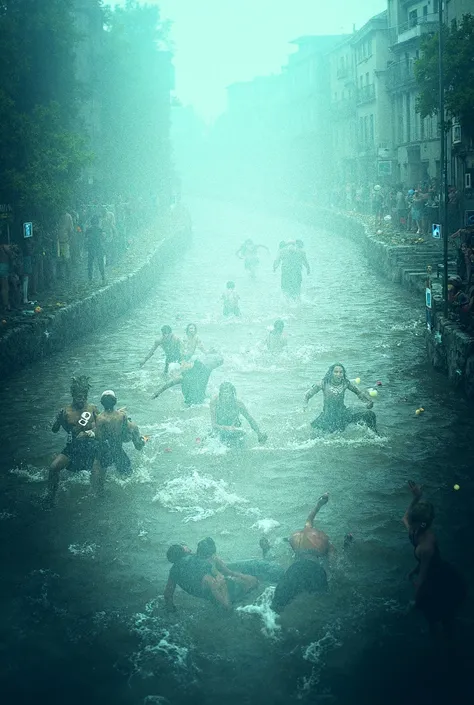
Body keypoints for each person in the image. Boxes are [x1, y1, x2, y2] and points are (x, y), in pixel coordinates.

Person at [403, 481, 466, 635]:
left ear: (420, 524)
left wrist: (414, 601)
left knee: (441, 618)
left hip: (440, 580)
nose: (408, 522)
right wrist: (417, 497)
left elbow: (422, 578)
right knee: (437, 616)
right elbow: (404, 518)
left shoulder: (426, 546)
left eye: (412, 521)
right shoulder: (414, 531)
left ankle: (445, 644)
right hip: (433, 570)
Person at [271, 494, 331, 613]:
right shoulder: (326, 541)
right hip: (315, 568)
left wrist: (319, 504)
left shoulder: (299, 535)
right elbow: (331, 566)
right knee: (321, 602)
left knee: (278, 603)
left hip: (297, 567)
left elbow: (309, 518)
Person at [47, 376, 99, 506]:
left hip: (91, 444)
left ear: (86, 396)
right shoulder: (65, 411)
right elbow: (54, 430)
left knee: (96, 473)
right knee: (53, 468)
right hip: (73, 446)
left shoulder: (92, 408)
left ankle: (97, 498)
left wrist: (88, 433)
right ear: (73, 396)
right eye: (78, 397)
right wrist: (58, 420)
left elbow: (101, 427)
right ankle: (50, 497)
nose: (81, 400)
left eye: (83, 397)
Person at [91, 390, 146, 495]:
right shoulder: (122, 416)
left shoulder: (100, 418)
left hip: (106, 450)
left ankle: (100, 493)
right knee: (128, 476)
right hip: (118, 449)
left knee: (100, 479)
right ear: (115, 401)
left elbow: (99, 438)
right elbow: (124, 432)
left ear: (102, 402)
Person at [304, 363, 378, 434]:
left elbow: (359, 393)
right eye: (336, 372)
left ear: (343, 374)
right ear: (331, 373)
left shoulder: (345, 383)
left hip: (342, 413)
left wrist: (368, 402)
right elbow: (307, 395)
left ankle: (374, 435)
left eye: (341, 372)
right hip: (328, 415)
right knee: (321, 432)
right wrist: (305, 405)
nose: (338, 374)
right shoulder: (323, 383)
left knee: (370, 414)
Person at [164, 543, 234, 611]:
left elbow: (168, 593)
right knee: (219, 581)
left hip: (198, 592)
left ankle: (223, 604)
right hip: (209, 586)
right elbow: (208, 564)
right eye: (183, 547)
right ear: (183, 551)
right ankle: (228, 606)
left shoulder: (173, 571)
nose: (185, 546)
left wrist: (171, 609)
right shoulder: (192, 559)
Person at [196, 537, 259, 602]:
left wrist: (242, 576)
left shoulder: (213, 559)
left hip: (219, 581)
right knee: (232, 583)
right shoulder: (203, 566)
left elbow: (227, 571)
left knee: (247, 580)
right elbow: (215, 579)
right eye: (211, 555)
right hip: (214, 587)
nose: (213, 556)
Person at [152, 353, 224, 405]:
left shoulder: (185, 377)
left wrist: (156, 394)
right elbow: (219, 361)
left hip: (192, 402)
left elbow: (167, 385)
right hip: (199, 401)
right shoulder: (205, 371)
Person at [85, 214, 106, 285]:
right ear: (98, 222)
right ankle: (103, 276)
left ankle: (90, 277)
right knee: (100, 262)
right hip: (99, 247)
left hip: (91, 248)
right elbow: (103, 238)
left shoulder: (88, 230)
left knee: (90, 263)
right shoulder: (100, 229)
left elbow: (86, 239)